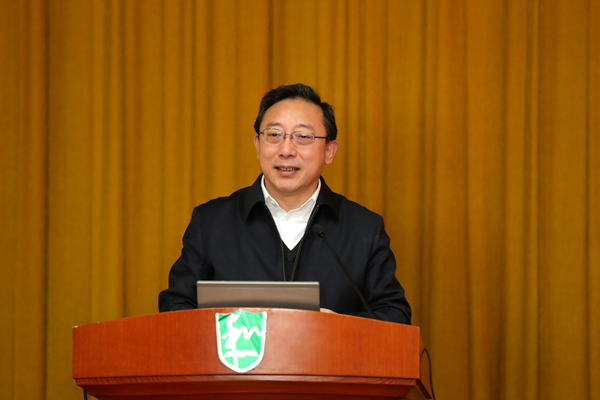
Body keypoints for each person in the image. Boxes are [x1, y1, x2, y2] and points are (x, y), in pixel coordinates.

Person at [158, 83, 411, 324]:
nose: (286, 150)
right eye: (274, 135)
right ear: (258, 146)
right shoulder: (211, 223)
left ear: (329, 151)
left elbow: (395, 315)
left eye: (303, 136)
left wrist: (337, 327)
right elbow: (175, 307)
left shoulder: (363, 228)